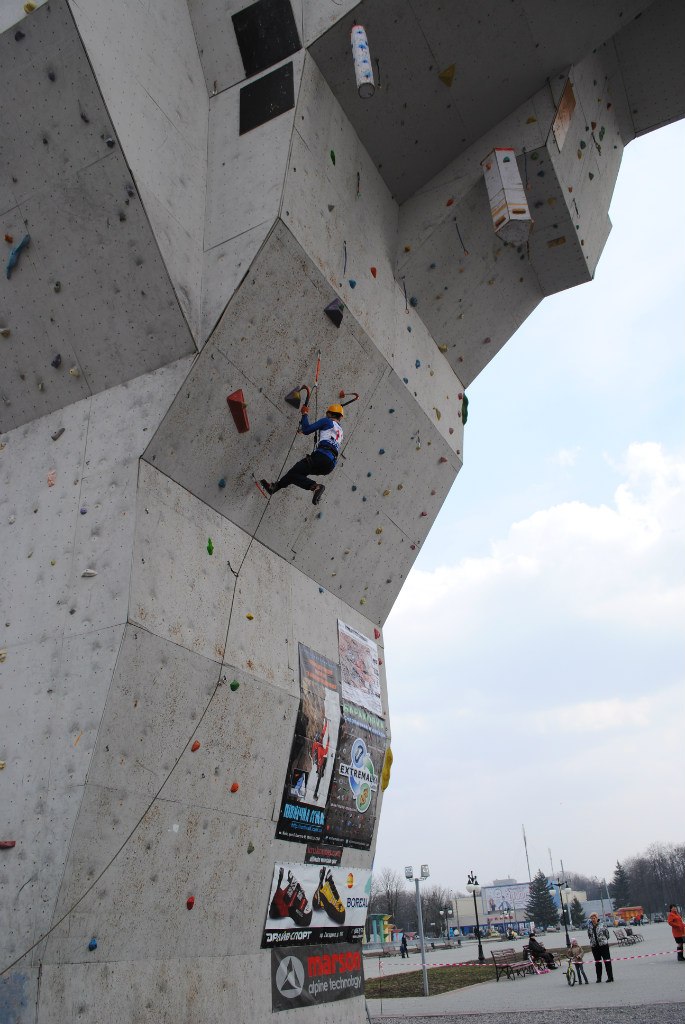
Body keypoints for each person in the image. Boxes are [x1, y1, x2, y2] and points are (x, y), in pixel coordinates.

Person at [262, 403, 344, 505]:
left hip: (322, 457)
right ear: (340, 417)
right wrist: (304, 428)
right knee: (296, 473)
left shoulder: (327, 421)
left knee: (295, 473)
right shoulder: (340, 431)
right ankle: (275, 487)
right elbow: (326, 436)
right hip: (330, 465)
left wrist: (304, 414)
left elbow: (307, 430)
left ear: (329, 413)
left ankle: (315, 487)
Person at [587, 913, 613, 981]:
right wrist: (592, 942)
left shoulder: (602, 925)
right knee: (597, 962)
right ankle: (599, 978)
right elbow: (589, 935)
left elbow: (607, 935)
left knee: (607, 961)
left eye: (594, 918)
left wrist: (603, 940)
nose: (593, 919)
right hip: (595, 946)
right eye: (592, 918)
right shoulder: (589, 926)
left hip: (603, 946)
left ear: (597, 918)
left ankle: (610, 977)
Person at [310, 720, 329, 800]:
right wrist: (328, 742)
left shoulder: (317, 742)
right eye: (320, 737)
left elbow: (323, 733)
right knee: (319, 778)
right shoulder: (318, 746)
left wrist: (326, 724)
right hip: (319, 763)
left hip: (319, 761)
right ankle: (315, 794)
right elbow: (325, 751)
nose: (321, 737)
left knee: (320, 776)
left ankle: (315, 793)